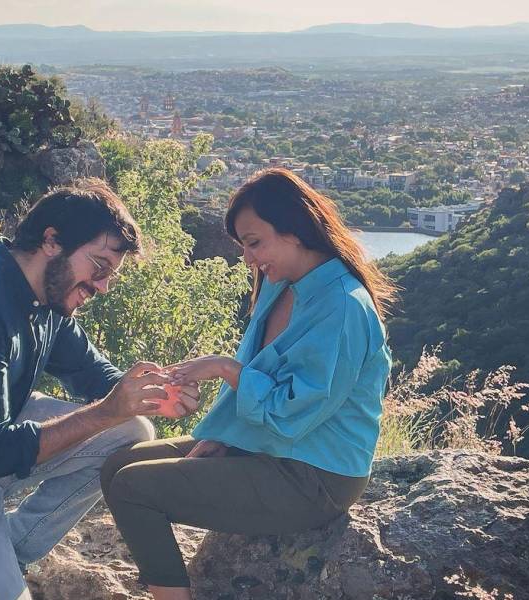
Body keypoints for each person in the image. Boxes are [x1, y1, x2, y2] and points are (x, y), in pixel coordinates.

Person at [100, 168, 396, 600]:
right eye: (243, 246)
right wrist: (225, 439)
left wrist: (225, 368)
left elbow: (290, 412)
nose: (248, 258)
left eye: (254, 242)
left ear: (296, 229)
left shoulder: (343, 306)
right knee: (116, 466)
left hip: (315, 476)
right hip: (268, 449)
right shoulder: (282, 287)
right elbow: (260, 383)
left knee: (133, 489)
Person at [0, 179, 198, 600]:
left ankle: (12, 549)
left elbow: (91, 372)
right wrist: (104, 411)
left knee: (130, 430)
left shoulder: (44, 296)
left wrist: (152, 392)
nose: (102, 286)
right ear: (51, 240)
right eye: (99, 266)